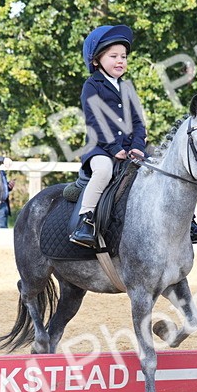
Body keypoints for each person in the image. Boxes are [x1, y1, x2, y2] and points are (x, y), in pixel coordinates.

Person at [70, 24, 147, 247]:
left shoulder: (128, 88)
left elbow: (137, 122)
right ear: (96, 60)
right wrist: (115, 149)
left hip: (129, 150)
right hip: (100, 148)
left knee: (161, 172)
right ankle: (86, 221)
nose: (120, 60)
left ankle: (185, 222)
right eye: (113, 56)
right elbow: (96, 121)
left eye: (123, 56)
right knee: (103, 172)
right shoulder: (92, 86)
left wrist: (138, 145)